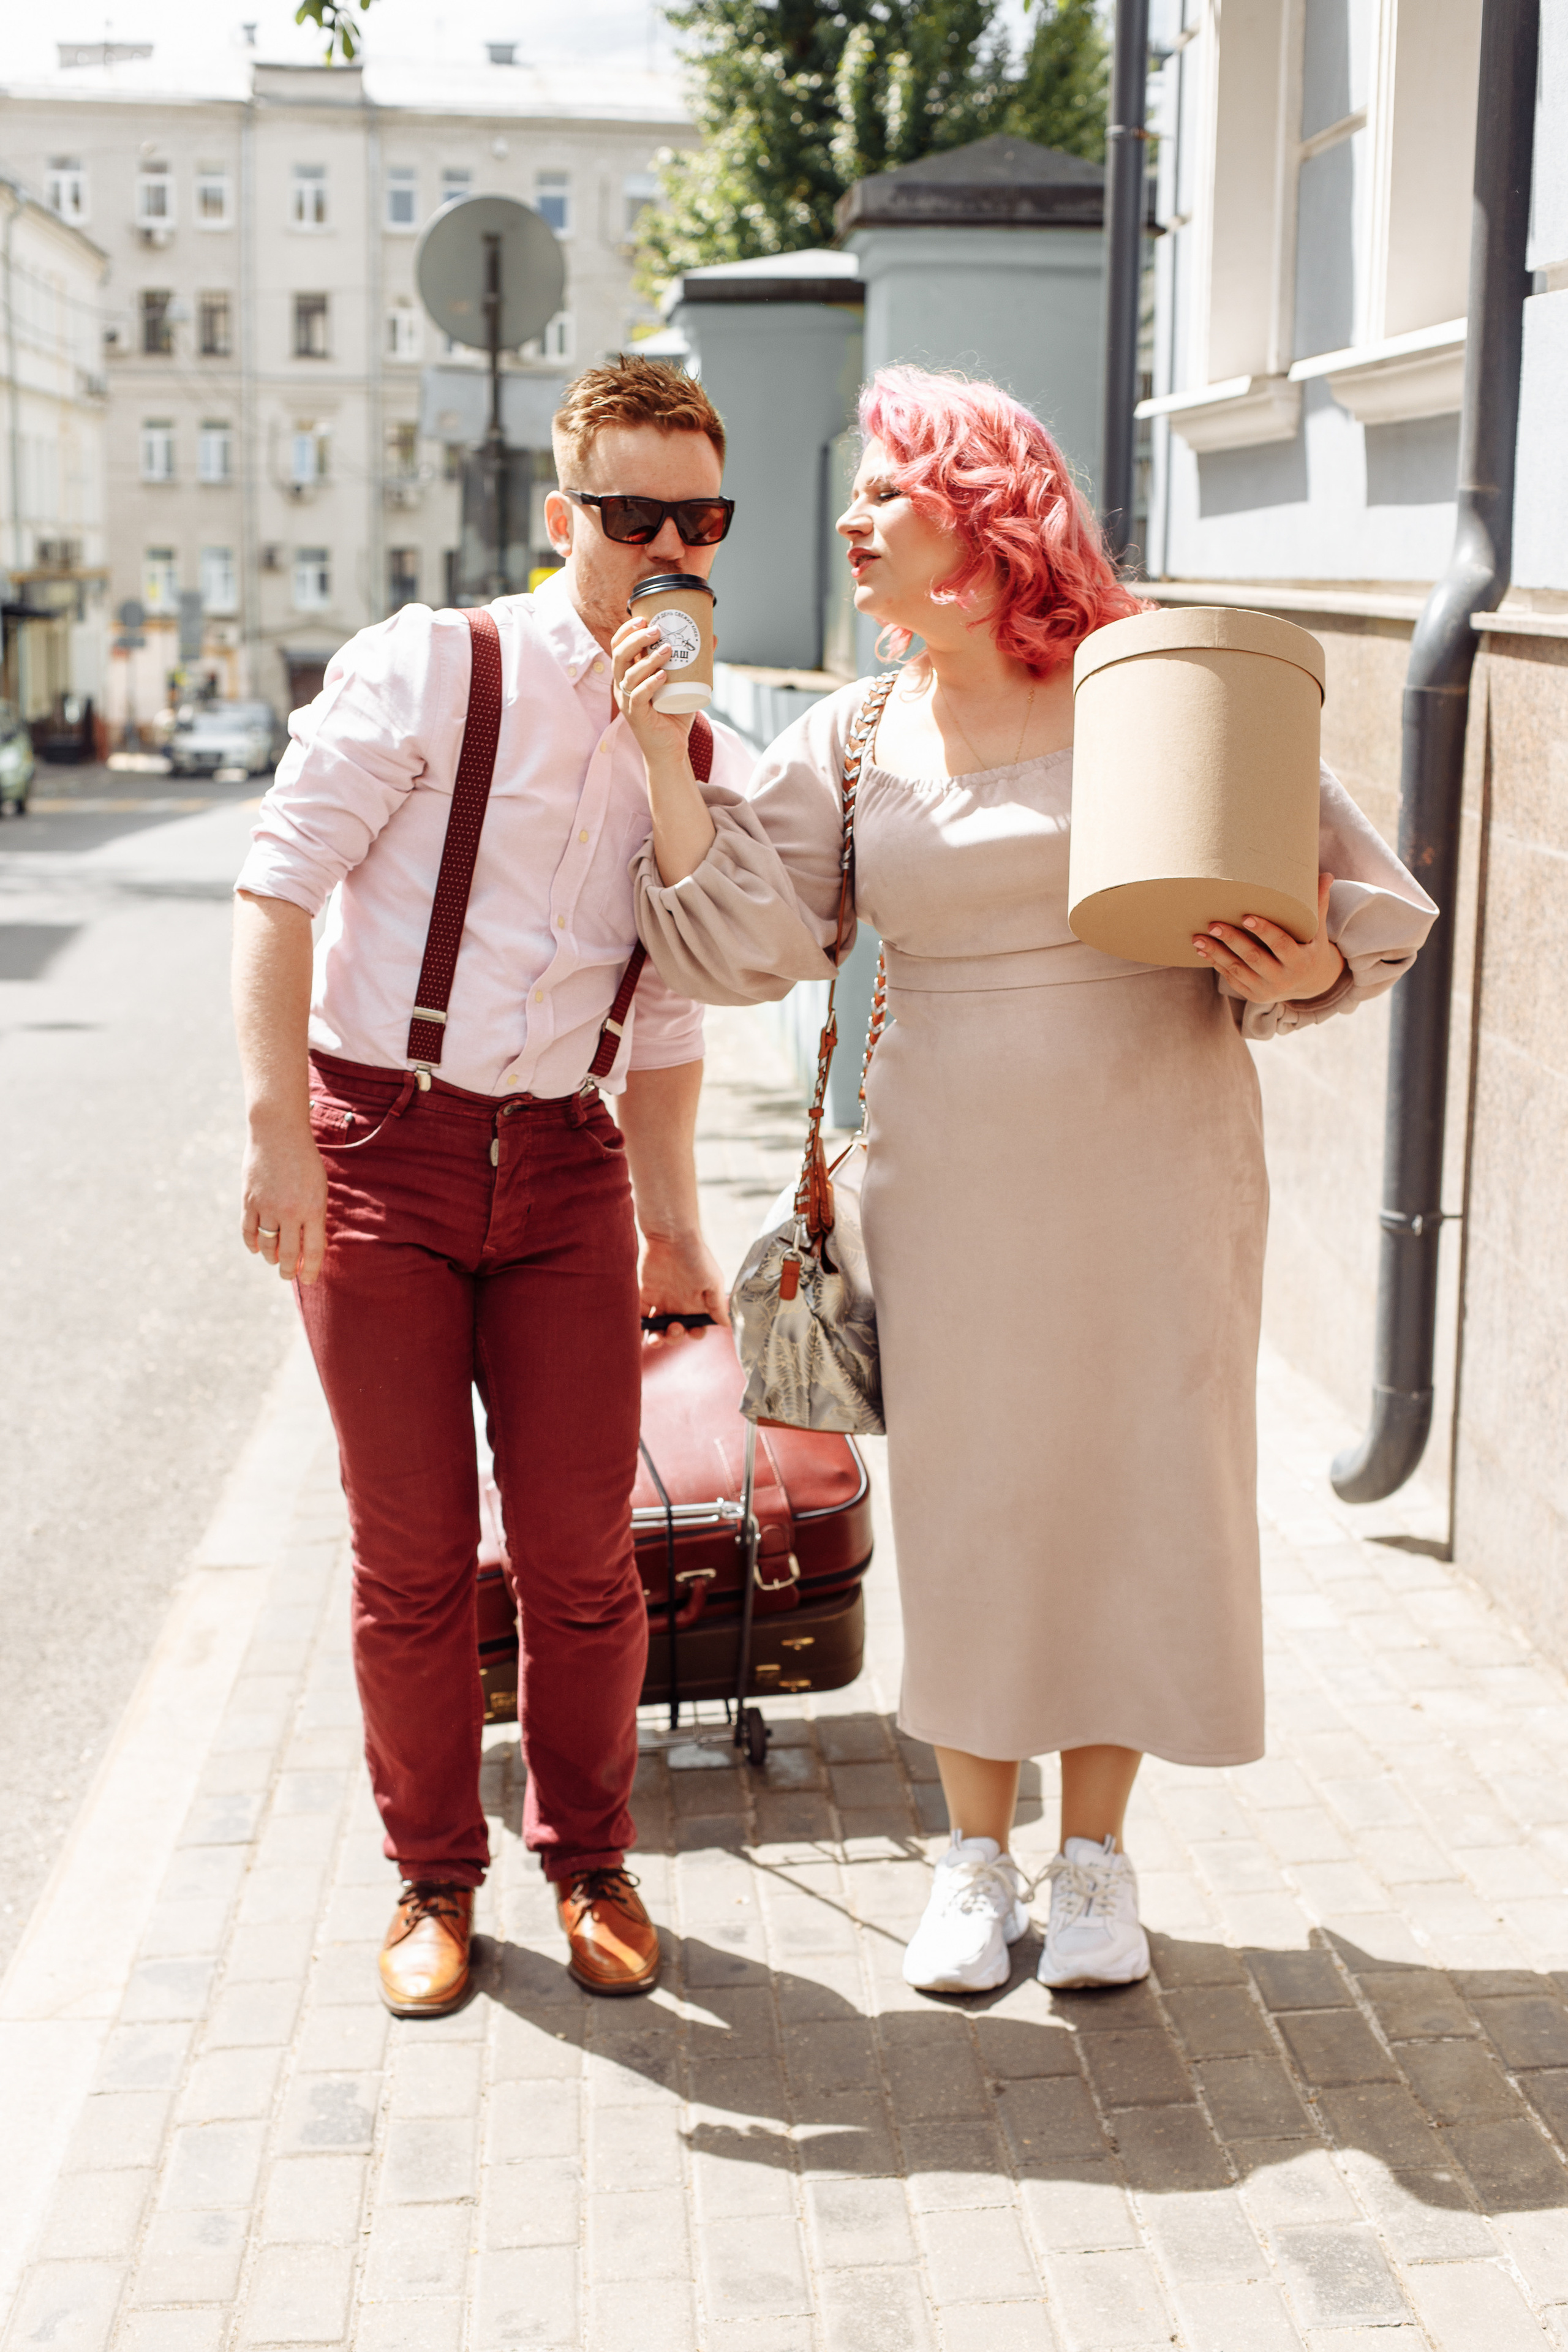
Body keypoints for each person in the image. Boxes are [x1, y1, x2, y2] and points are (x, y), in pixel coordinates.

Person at [616, 366, 1437, 1996]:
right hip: (950, 1176)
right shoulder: (857, 732)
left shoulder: (1155, 686)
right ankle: (974, 1860)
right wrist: (658, 754)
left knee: (1137, 1487)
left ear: (983, 515)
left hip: (1159, 1160)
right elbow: (742, 940)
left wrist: (1295, 964)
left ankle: (1098, 1861)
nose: (849, 521)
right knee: (977, 1502)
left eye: (886, 493)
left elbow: (1344, 904)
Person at [231, 356, 747, 2015]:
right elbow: (278, 888)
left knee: (586, 1555)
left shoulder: (695, 739)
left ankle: (591, 1859)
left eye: (702, 521)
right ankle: (432, 1880)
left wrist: (674, 1221)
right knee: (415, 1556)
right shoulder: (434, 668)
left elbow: (671, 1005)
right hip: (384, 1149)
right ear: (561, 514)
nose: (669, 549)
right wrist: (279, 1134)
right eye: (634, 515)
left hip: (567, 1167)